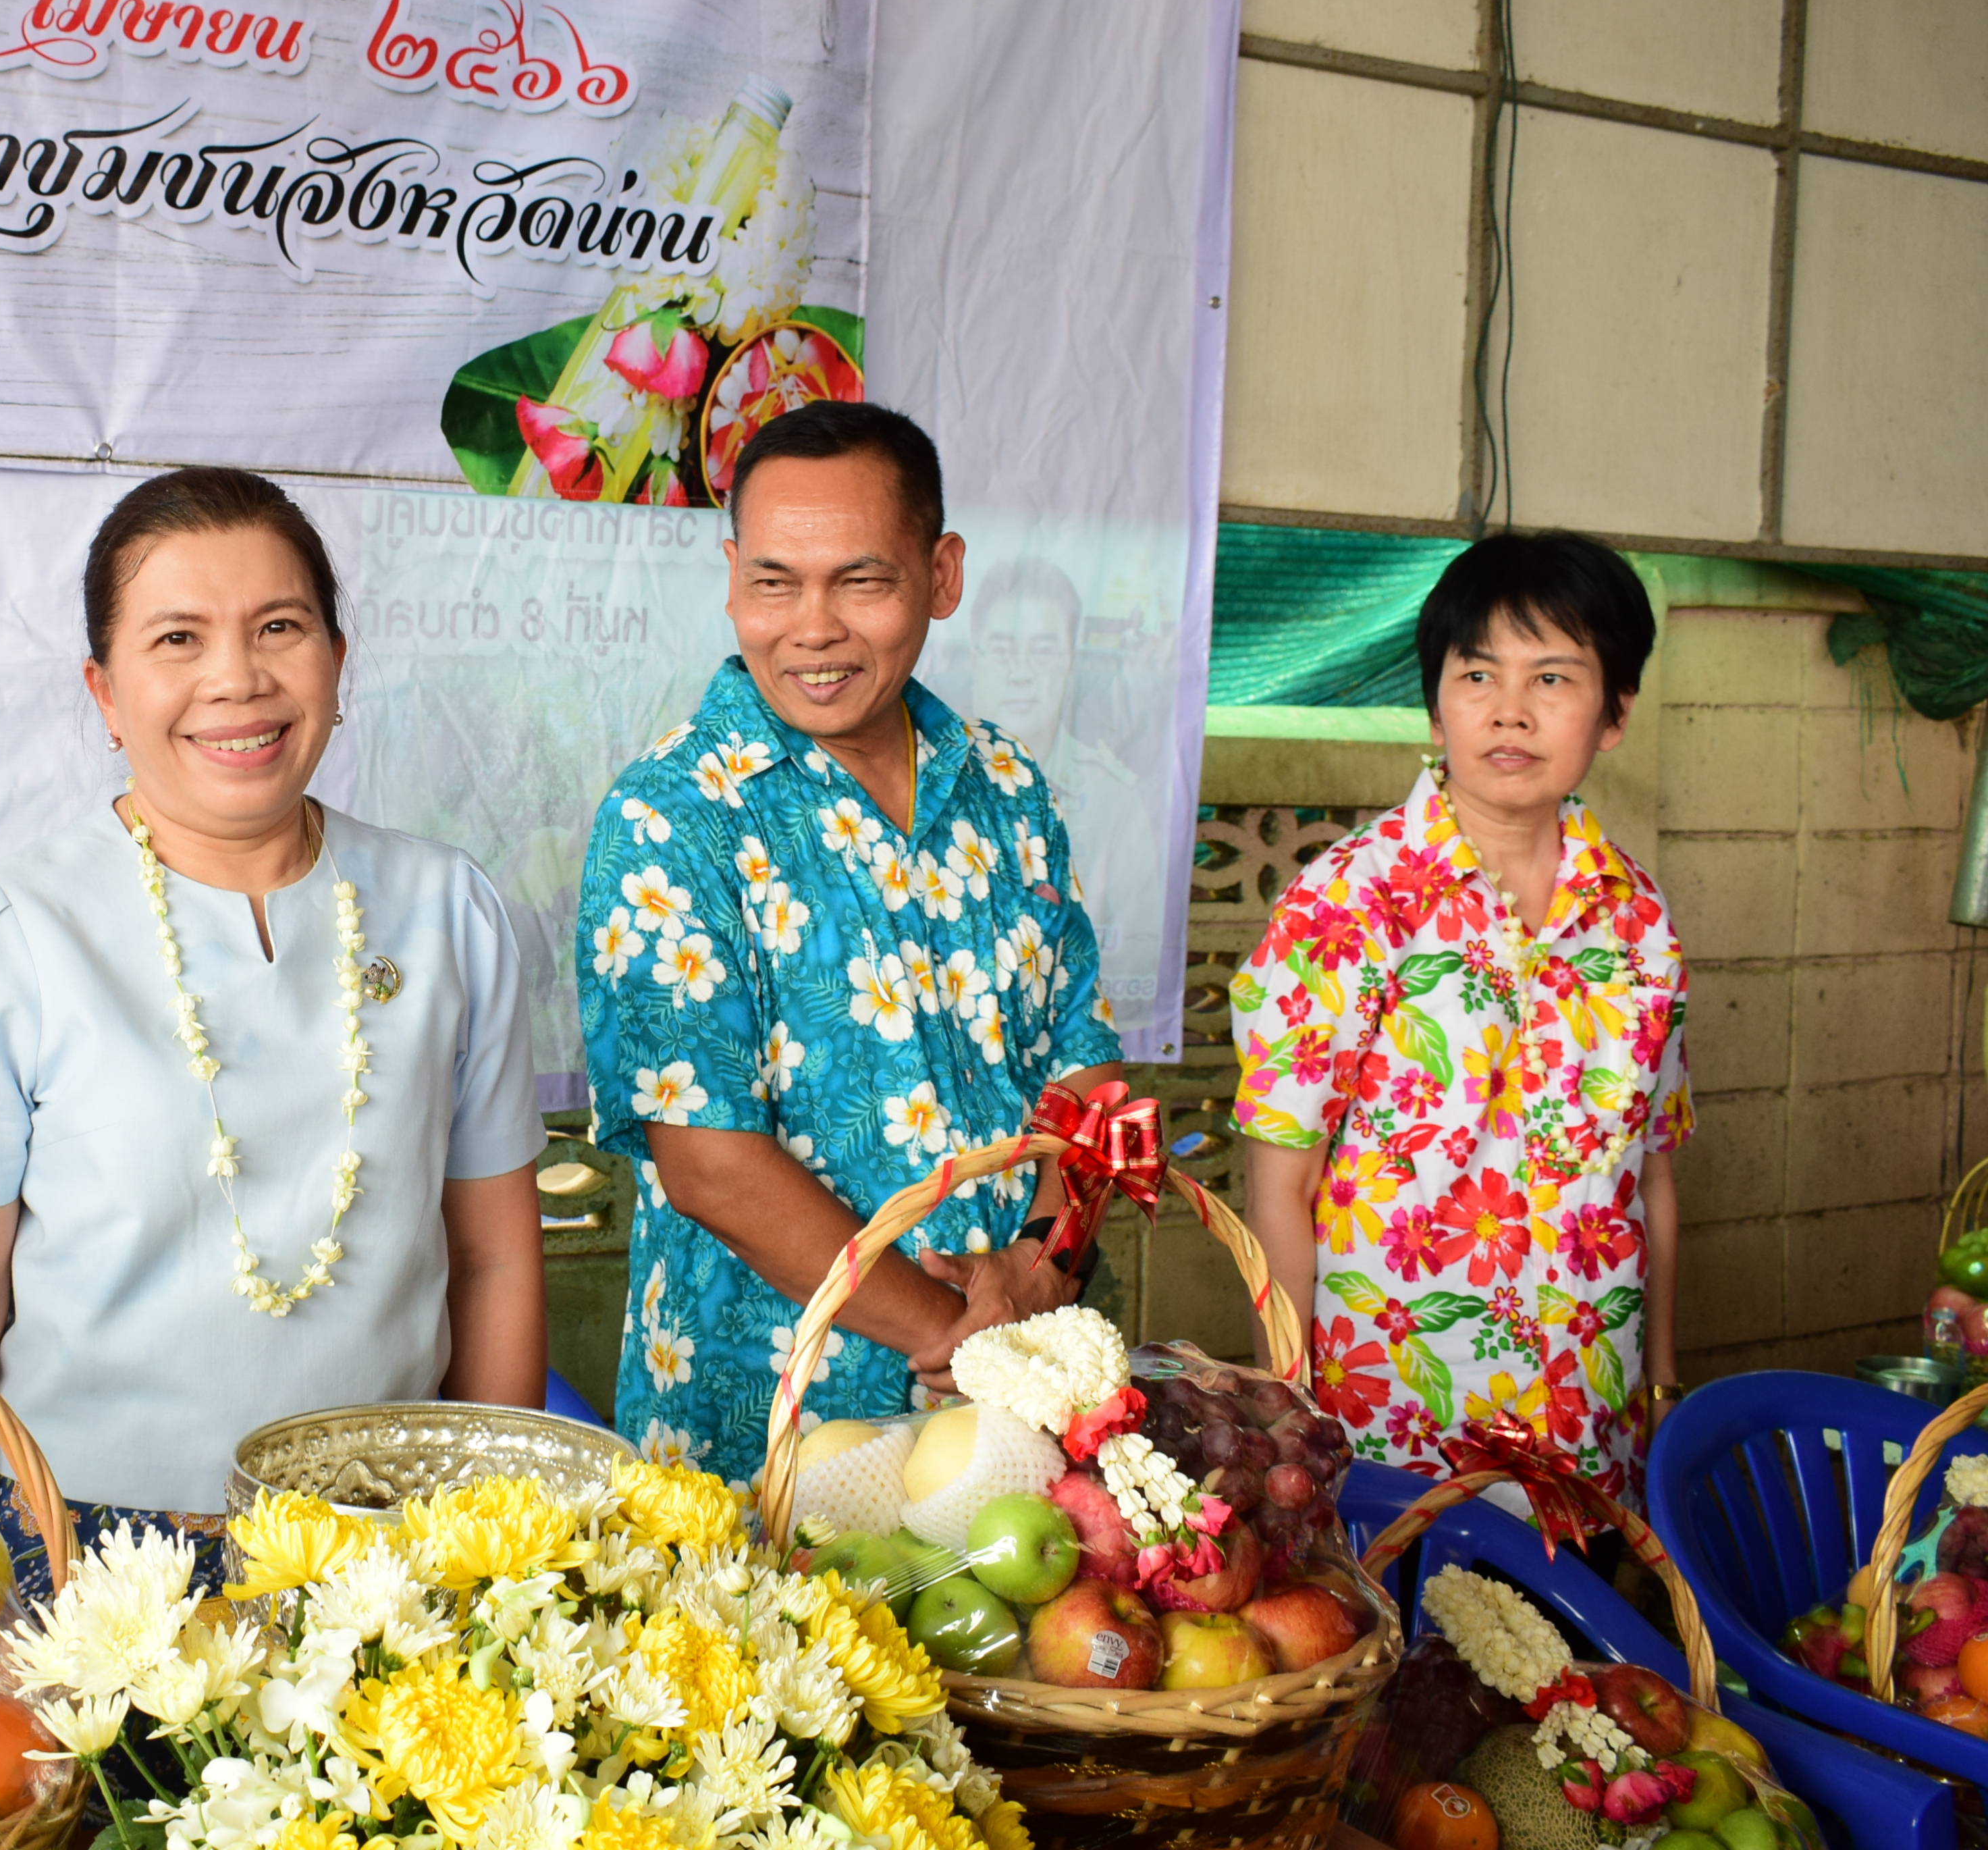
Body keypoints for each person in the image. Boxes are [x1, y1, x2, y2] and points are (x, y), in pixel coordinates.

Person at [0, 467, 545, 1593]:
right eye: (178, 638)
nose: (237, 678)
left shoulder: (447, 910)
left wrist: (491, 1563)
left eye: (280, 628)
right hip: (85, 1568)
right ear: (104, 690)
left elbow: (494, 1259)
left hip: (395, 1554)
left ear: (336, 660)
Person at [576, 401, 1129, 1483]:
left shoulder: (1007, 785)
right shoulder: (673, 814)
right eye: (775, 582)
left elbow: (1089, 1074)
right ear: (732, 577)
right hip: (769, 1439)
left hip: (1022, 1409)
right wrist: (956, 1335)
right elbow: (712, 1166)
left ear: (942, 576)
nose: (812, 628)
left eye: (861, 582)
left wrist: (1042, 1264)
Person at [1231, 530, 1688, 1506]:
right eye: (1477, 675)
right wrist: (1286, 1410)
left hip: (1588, 1419)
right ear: (1435, 704)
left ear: (1615, 712)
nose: (1510, 711)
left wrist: (1659, 1385)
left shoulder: (1638, 918)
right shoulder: (1346, 902)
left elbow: (1651, 1176)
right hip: (1389, 1426)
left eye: (1552, 679)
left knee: (1576, 1612)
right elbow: (1282, 1184)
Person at [965, 556, 1154, 955]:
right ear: (975, 658)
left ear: (1070, 662)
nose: (1021, 673)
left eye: (1042, 651)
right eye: (1002, 650)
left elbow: (1138, 948)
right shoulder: (925, 781)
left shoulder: (1114, 801)